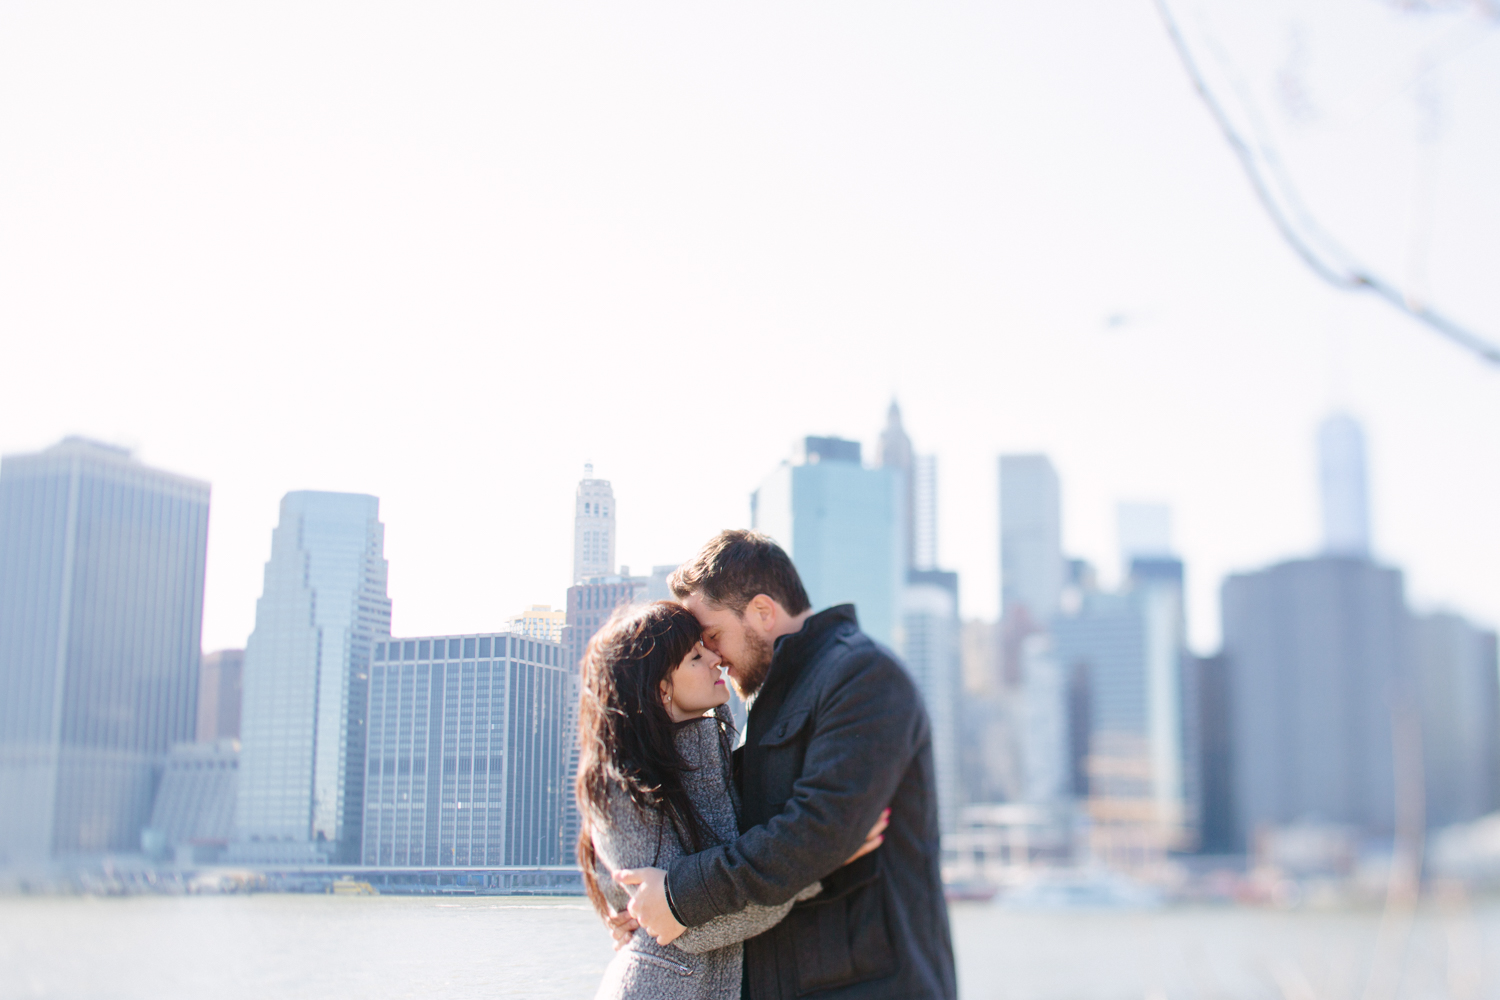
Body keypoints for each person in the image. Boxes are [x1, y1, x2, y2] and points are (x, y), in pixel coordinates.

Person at [613, 530, 957, 1000]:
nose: (713, 656)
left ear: (761, 611)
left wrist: (677, 898)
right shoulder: (771, 701)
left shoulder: (863, 676)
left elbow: (816, 834)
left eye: (713, 636)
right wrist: (635, 906)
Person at [578, 601, 887, 1000]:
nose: (715, 660)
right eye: (695, 656)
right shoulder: (619, 788)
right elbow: (691, 925)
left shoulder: (726, 753)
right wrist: (819, 863)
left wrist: (812, 852)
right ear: (661, 688)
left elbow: (742, 872)